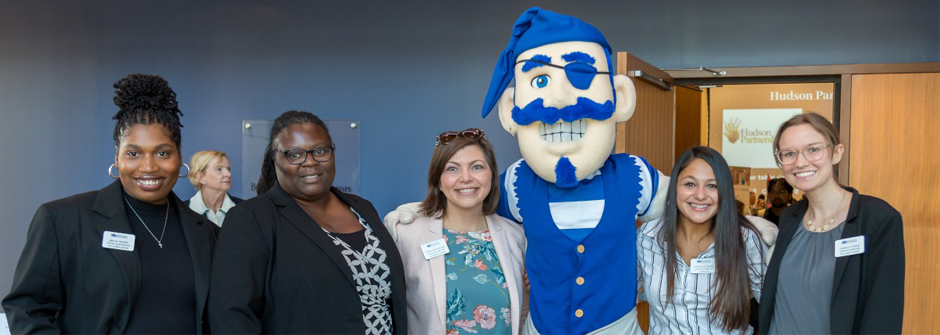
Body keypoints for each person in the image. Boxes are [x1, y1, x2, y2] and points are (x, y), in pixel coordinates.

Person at [386, 8, 670, 335]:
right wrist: (415, 212)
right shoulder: (517, 183)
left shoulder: (634, 176)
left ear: (619, 98)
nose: (561, 101)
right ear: (511, 111)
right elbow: (469, 204)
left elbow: (691, 208)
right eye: (540, 80)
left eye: (580, 74)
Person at [2, 74, 219, 334]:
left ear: (180, 156)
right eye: (133, 153)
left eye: (163, 153)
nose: (149, 166)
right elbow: (27, 308)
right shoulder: (63, 220)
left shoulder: (206, 233)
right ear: (117, 156)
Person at [208, 110, 407, 335]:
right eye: (295, 154)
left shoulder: (362, 208)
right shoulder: (251, 218)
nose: (310, 162)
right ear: (276, 159)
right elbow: (231, 315)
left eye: (320, 151)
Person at [760, 112, 904, 334]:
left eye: (813, 149)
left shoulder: (877, 218)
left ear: (836, 153)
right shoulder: (790, 217)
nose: (800, 162)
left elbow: (883, 313)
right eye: (789, 153)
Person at [395, 128, 527, 335]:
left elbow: (523, 316)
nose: (466, 178)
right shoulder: (406, 235)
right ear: (438, 179)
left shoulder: (516, 237)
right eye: (452, 169)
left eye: (476, 167)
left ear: (491, 175)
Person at [637, 146, 771, 335]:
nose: (700, 195)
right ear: (675, 186)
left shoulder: (745, 239)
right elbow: (620, 299)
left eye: (712, 186)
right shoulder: (647, 237)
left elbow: (775, 307)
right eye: (690, 184)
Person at [186, 150, 244, 226]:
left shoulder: (243, 208)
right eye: (219, 169)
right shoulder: (184, 211)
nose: (228, 174)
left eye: (228, 169)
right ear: (201, 177)